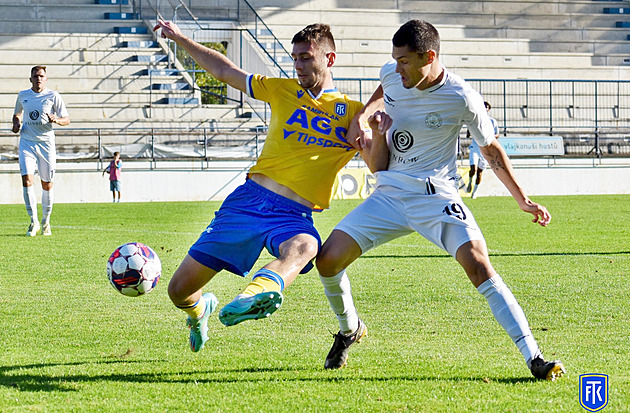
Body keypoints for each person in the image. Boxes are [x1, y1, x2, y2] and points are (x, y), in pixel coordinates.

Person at [315, 20, 565, 381]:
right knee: (328, 261)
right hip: (389, 195)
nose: (396, 68)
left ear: (428, 56)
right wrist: (366, 123)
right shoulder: (391, 75)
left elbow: (490, 148)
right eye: (394, 60)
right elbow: (374, 102)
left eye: (404, 61)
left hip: (436, 195)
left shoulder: (461, 96)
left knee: (479, 265)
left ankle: (534, 357)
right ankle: (350, 328)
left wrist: (522, 199)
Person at [152, 19, 388, 353]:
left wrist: (373, 130)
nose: (298, 65)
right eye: (294, 58)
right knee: (178, 290)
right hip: (247, 203)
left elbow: (378, 166)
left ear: (329, 59)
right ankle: (200, 309)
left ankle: (252, 296)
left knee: (307, 246)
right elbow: (225, 71)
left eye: (306, 57)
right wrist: (179, 38)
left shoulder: (352, 115)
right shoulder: (281, 90)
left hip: (293, 215)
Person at [12, 65, 70, 236]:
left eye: (41, 76)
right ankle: (34, 221)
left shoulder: (53, 96)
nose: (38, 79)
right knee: (27, 181)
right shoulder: (23, 95)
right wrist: (16, 122)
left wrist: (57, 120)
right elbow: (17, 114)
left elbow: (66, 119)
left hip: (46, 144)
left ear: (46, 79)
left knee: (47, 184)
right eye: (35, 76)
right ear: (30, 79)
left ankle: (46, 221)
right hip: (27, 142)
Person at [466, 101, 499, 199]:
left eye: (487, 107)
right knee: (473, 169)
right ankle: (470, 181)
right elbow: (468, 134)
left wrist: (490, 137)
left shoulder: (492, 121)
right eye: (484, 107)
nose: (485, 109)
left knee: (480, 172)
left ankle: (474, 192)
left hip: (485, 150)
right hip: (475, 148)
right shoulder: (474, 120)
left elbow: (497, 134)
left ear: (488, 110)